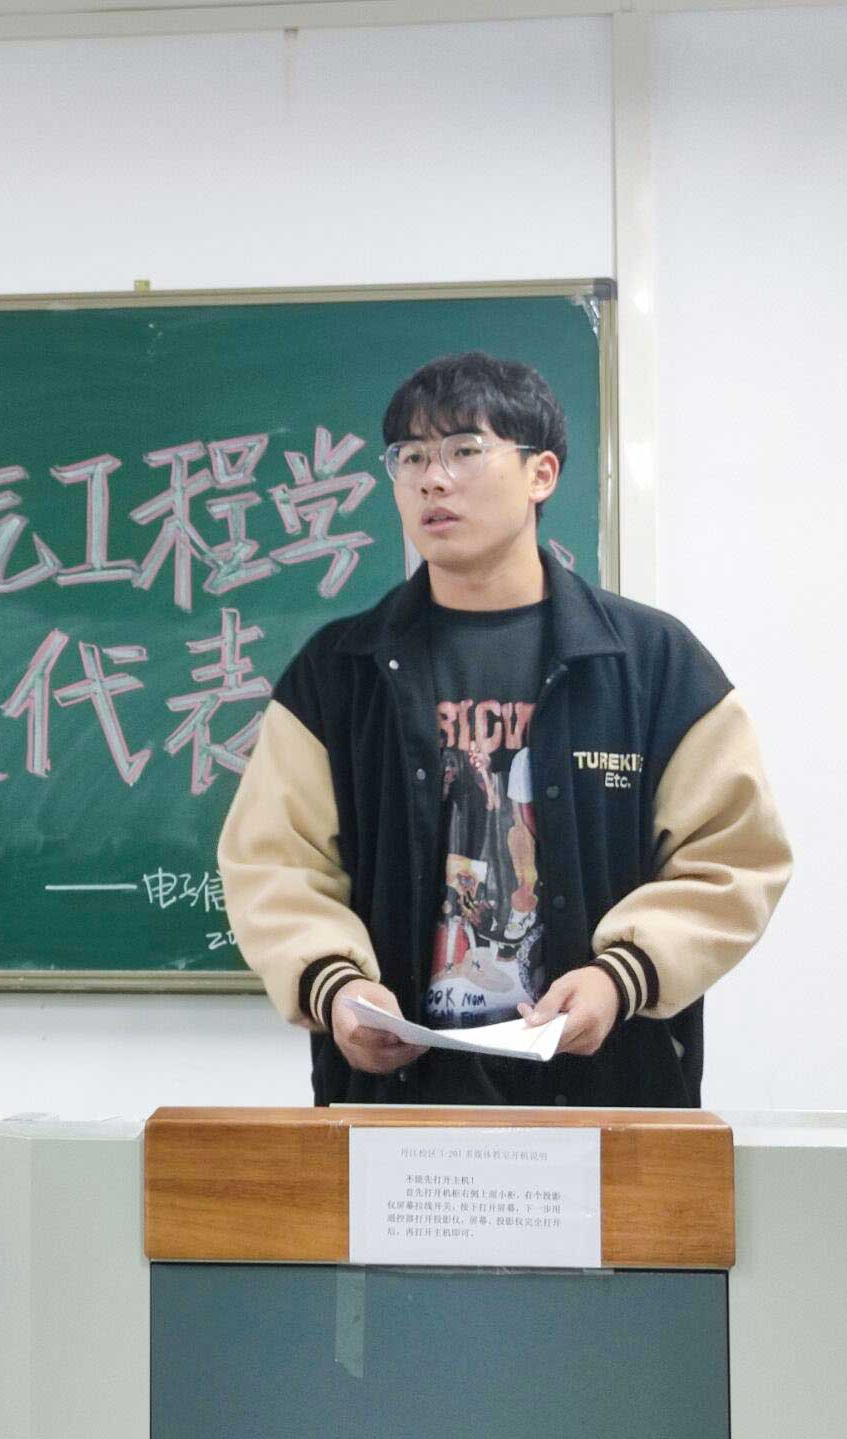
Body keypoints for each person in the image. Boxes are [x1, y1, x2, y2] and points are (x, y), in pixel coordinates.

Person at [217, 351, 791, 1107]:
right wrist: (338, 987)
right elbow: (273, 863)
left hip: (608, 1096)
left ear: (540, 474)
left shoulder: (652, 663)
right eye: (410, 457)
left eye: (464, 450)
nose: (432, 479)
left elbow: (733, 859)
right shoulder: (340, 670)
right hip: (396, 1105)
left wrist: (620, 977)